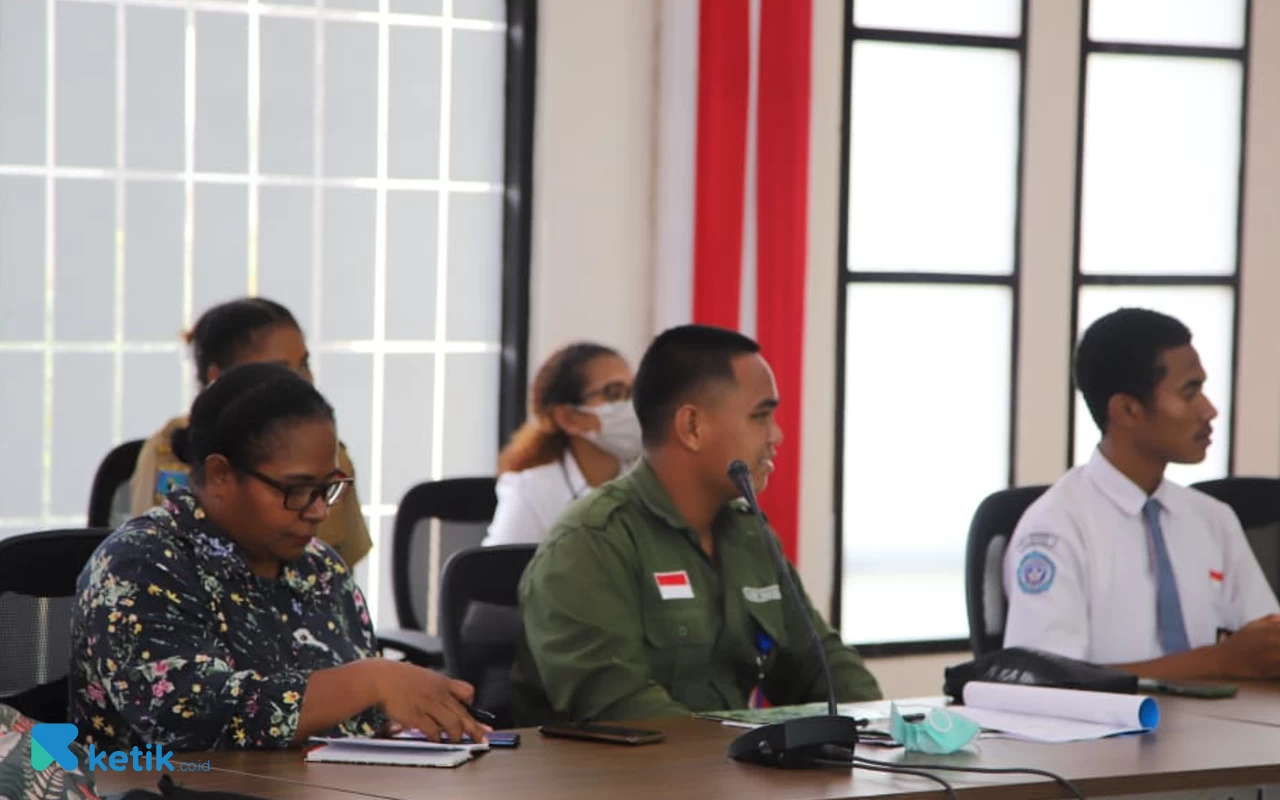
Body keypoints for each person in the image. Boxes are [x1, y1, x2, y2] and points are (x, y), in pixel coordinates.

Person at [71, 363, 488, 751]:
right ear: (220, 475)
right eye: (297, 489)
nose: (319, 510)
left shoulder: (319, 567)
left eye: (328, 487)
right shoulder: (141, 566)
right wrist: (370, 680)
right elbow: (191, 721)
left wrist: (408, 723)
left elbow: (353, 719)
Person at [511, 325, 882, 724]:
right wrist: (741, 755)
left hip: (727, 775)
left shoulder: (749, 534)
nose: (777, 435)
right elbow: (622, 709)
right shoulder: (590, 543)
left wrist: (872, 726)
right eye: (760, 416)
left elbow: (819, 663)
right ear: (691, 427)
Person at [1003, 307, 1280, 679]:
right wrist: (1217, 661)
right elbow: (1045, 683)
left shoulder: (1213, 518)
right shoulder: (1055, 529)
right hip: (1105, 738)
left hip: (1220, 733)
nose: (1209, 410)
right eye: (1190, 391)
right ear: (1128, 409)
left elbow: (1265, 648)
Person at [130, 297, 371, 568]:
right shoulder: (167, 454)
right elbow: (153, 556)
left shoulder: (328, 455)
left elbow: (341, 569)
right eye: (278, 370)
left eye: (304, 364)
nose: (302, 381)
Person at [483, 342, 640, 546]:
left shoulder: (655, 486)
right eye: (615, 393)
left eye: (636, 391)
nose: (634, 405)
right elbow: (491, 573)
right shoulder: (531, 493)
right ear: (568, 417)